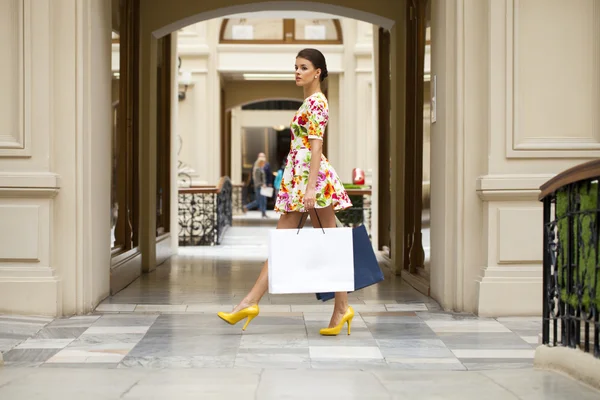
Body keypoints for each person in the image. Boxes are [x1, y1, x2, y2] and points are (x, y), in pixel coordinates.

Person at [218, 48, 353, 336]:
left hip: (310, 181)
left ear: (317, 72)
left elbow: (316, 147)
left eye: (303, 67)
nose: (297, 72)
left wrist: (309, 189)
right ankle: (340, 308)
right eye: (295, 67)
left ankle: (250, 302)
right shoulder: (309, 102)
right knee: (323, 243)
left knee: (320, 243)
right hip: (302, 179)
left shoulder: (317, 102)